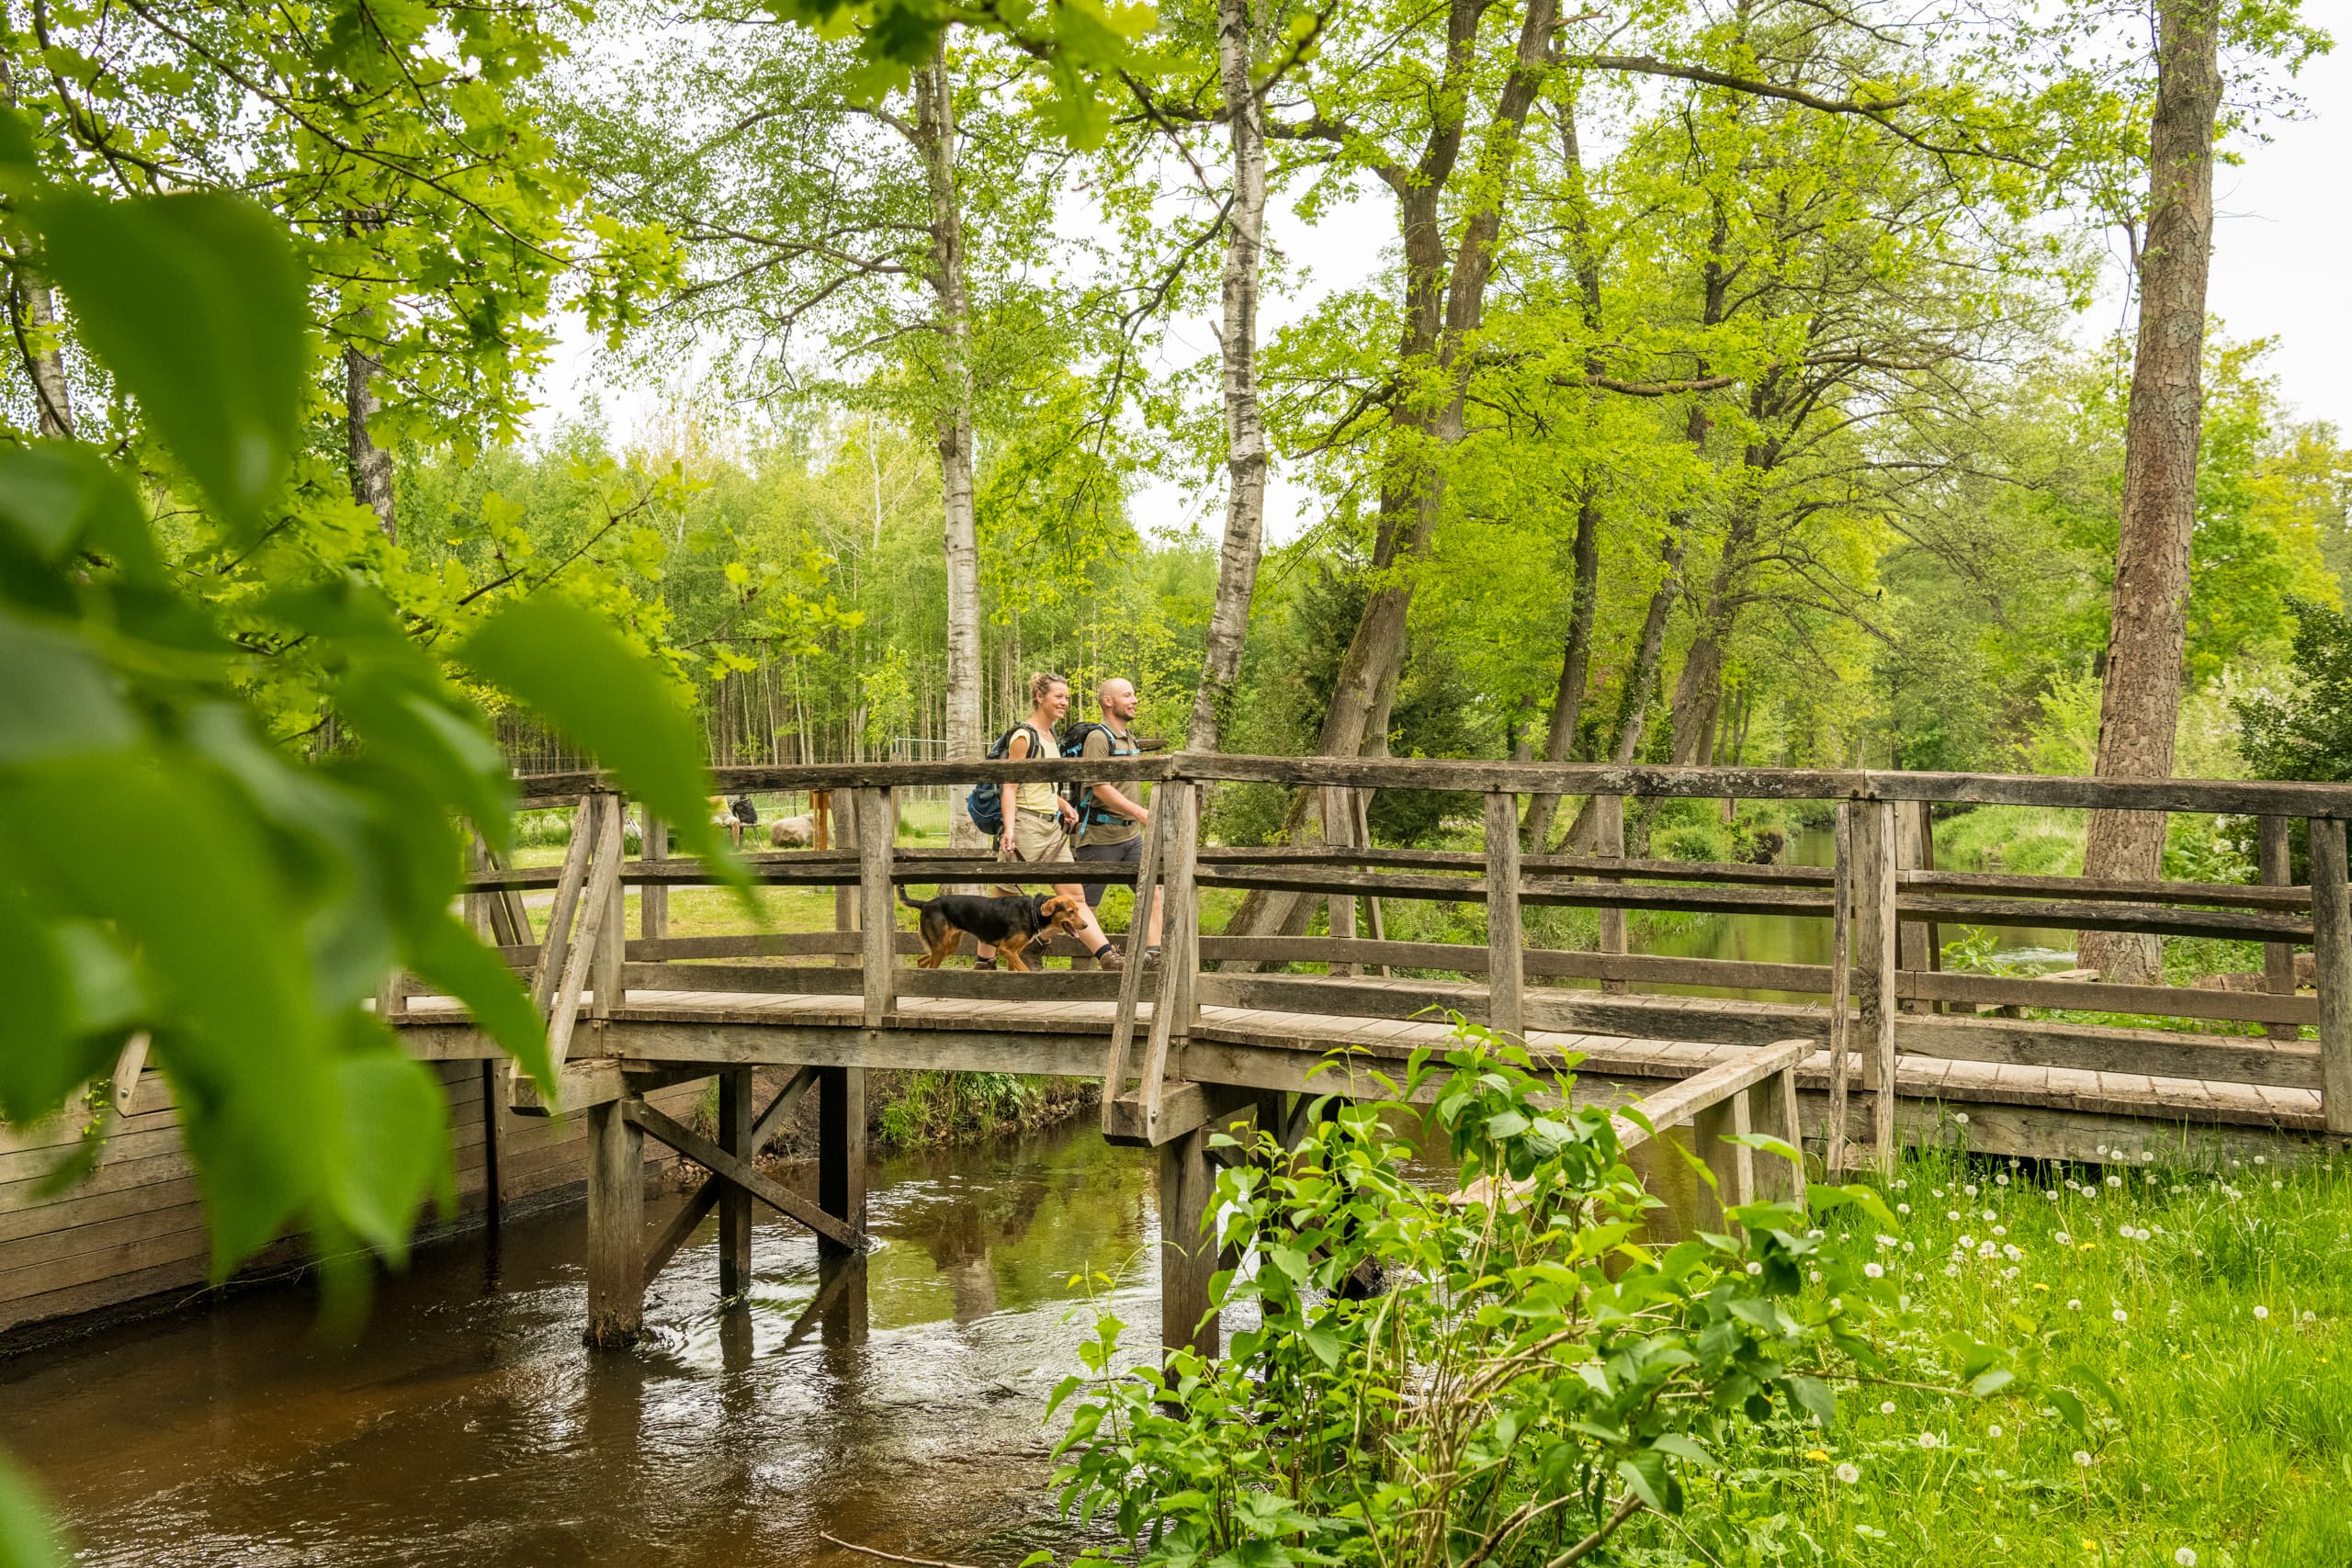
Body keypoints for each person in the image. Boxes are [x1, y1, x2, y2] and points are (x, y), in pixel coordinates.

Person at [981, 671, 1125, 973]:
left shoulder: (1050, 737)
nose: (1065, 702)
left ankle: (1107, 957)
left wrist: (1063, 806)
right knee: (1002, 900)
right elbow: (1011, 786)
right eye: (1058, 696)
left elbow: (1041, 785)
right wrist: (1008, 830)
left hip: (1051, 827)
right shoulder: (1024, 736)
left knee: (1075, 896)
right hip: (1026, 826)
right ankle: (985, 963)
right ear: (1040, 697)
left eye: (1067, 697)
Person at [1071, 677, 1159, 966]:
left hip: (1131, 836)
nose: (1134, 700)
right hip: (1101, 836)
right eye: (1127, 695)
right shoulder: (1099, 738)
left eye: (1134, 694)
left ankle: (1155, 957)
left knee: (1152, 891)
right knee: (1084, 907)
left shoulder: (1129, 736)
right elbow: (1099, 786)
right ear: (1109, 701)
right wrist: (1140, 812)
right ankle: (1077, 971)